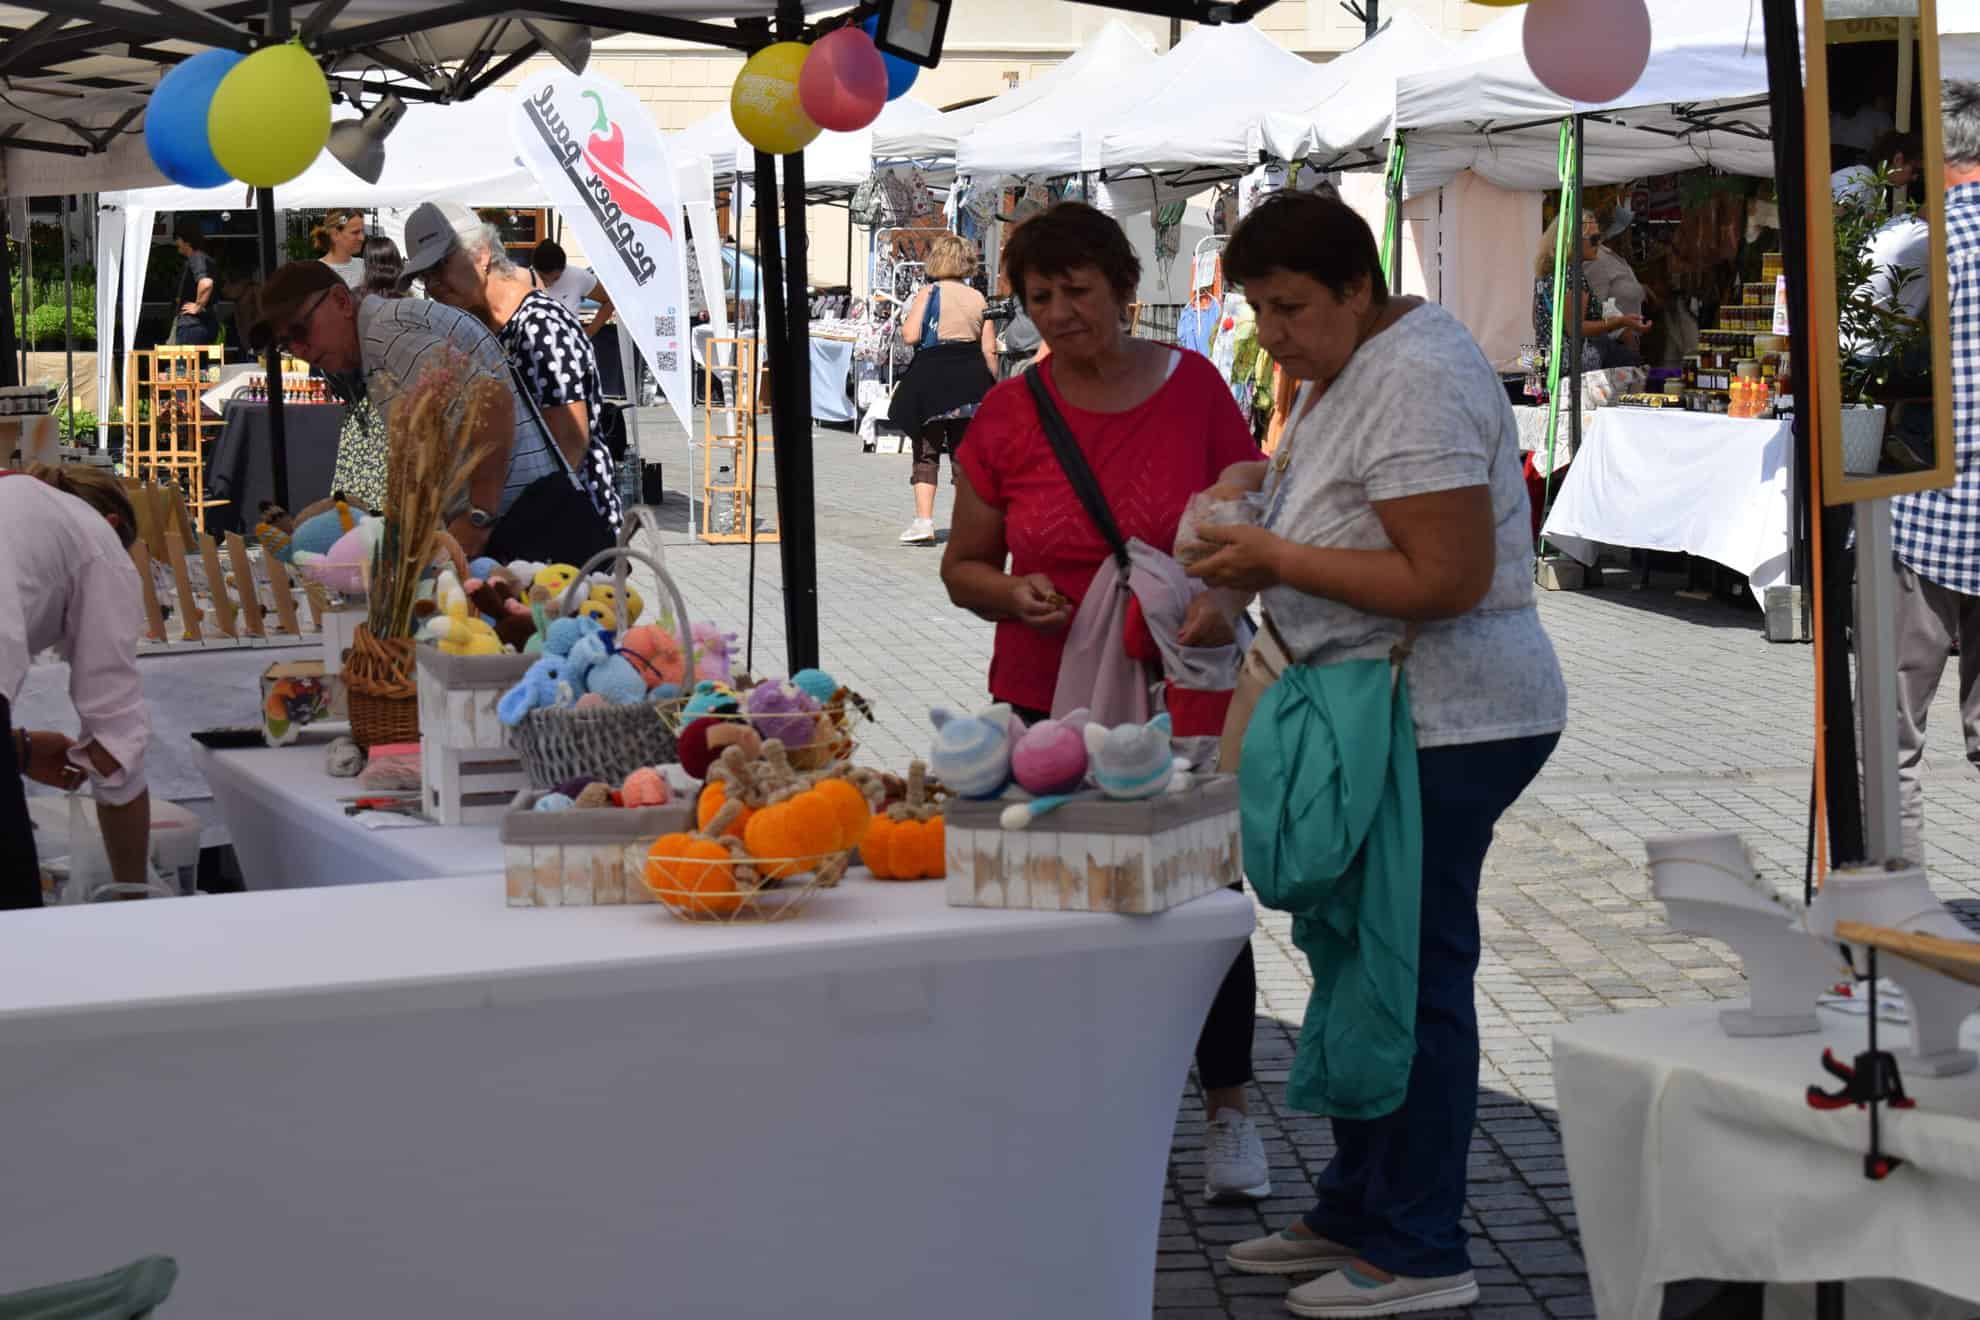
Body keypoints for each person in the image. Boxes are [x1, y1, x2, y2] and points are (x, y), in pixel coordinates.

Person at [1195, 191, 1565, 1318]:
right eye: (1258, 309)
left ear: (1360, 286)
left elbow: (1447, 578)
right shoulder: (1351, 359)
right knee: (1361, 963)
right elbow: (1343, 497)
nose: (1272, 334)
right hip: (1381, 707)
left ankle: (1420, 1247)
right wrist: (1251, 497)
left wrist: (1270, 558)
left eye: (1291, 307)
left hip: (1442, 717)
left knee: (1409, 971)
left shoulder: (1417, 375)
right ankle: (1360, 1210)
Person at [939, 202, 1273, 1203]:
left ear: (1125, 288)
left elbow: (1248, 513)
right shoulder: (1009, 412)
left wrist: (1223, 597)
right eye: (1041, 297)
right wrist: (1011, 593)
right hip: (1046, 700)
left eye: (1078, 291)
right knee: (1064, 901)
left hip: (1181, 688)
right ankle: (1082, 1105)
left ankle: (1230, 1114)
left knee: (1200, 896)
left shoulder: (1198, 389)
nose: (1061, 313)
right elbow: (963, 566)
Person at [248, 258, 559, 559]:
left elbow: (491, 401)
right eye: (285, 344)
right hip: (520, 522)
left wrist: (478, 518)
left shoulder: (385, 334)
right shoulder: (377, 338)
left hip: (527, 527)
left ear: (341, 301)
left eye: (301, 331)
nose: (300, 350)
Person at [404, 201, 623, 537]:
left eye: (440, 267)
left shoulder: (540, 327)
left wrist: (495, 526)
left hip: (564, 536)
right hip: (523, 528)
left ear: (481, 254)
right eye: (424, 276)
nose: (433, 285)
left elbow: (570, 442)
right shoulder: (484, 327)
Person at [1890, 81, 1980, 865]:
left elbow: (1863, 368)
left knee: (1893, 739)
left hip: (1934, 515)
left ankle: (1898, 915)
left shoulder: (1920, 245)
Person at [1, 466, 153, 909]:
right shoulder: (98, 543)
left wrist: (19, 750)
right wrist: (133, 898)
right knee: (15, 934)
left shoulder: (23, 509)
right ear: (113, 526)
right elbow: (115, 744)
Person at [893, 233, 998, 545]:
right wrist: (991, 386)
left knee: (926, 453)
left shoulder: (928, 292)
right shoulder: (979, 298)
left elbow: (911, 336)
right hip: (971, 381)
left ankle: (924, 522)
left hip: (933, 381)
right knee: (965, 457)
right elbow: (989, 350)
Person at [1531, 210, 1649, 372]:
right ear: (1573, 240)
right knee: (1632, 368)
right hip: (1569, 367)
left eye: (1599, 238)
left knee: (1540, 398)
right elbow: (1576, 329)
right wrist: (1621, 322)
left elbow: (1535, 321)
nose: (1598, 244)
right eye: (1594, 239)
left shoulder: (1545, 273)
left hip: (1542, 362)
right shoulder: (1572, 276)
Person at [529, 240, 616, 339]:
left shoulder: (578, 276)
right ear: (534, 269)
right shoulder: (522, 281)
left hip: (569, 347)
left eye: (556, 278)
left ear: (564, 269)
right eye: (542, 278)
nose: (548, 284)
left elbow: (610, 300)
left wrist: (590, 331)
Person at [170, 220, 219, 346]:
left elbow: (206, 282)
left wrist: (198, 306)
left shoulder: (196, 258)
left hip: (192, 326)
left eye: (178, 238)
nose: (176, 242)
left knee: (185, 366)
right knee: (199, 365)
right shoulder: (207, 259)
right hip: (204, 324)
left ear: (186, 240)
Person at [315, 208, 368, 289]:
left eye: (362, 231)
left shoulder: (365, 267)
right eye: (355, 232)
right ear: (335, 234)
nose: (362, 238)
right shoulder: (316, 271)